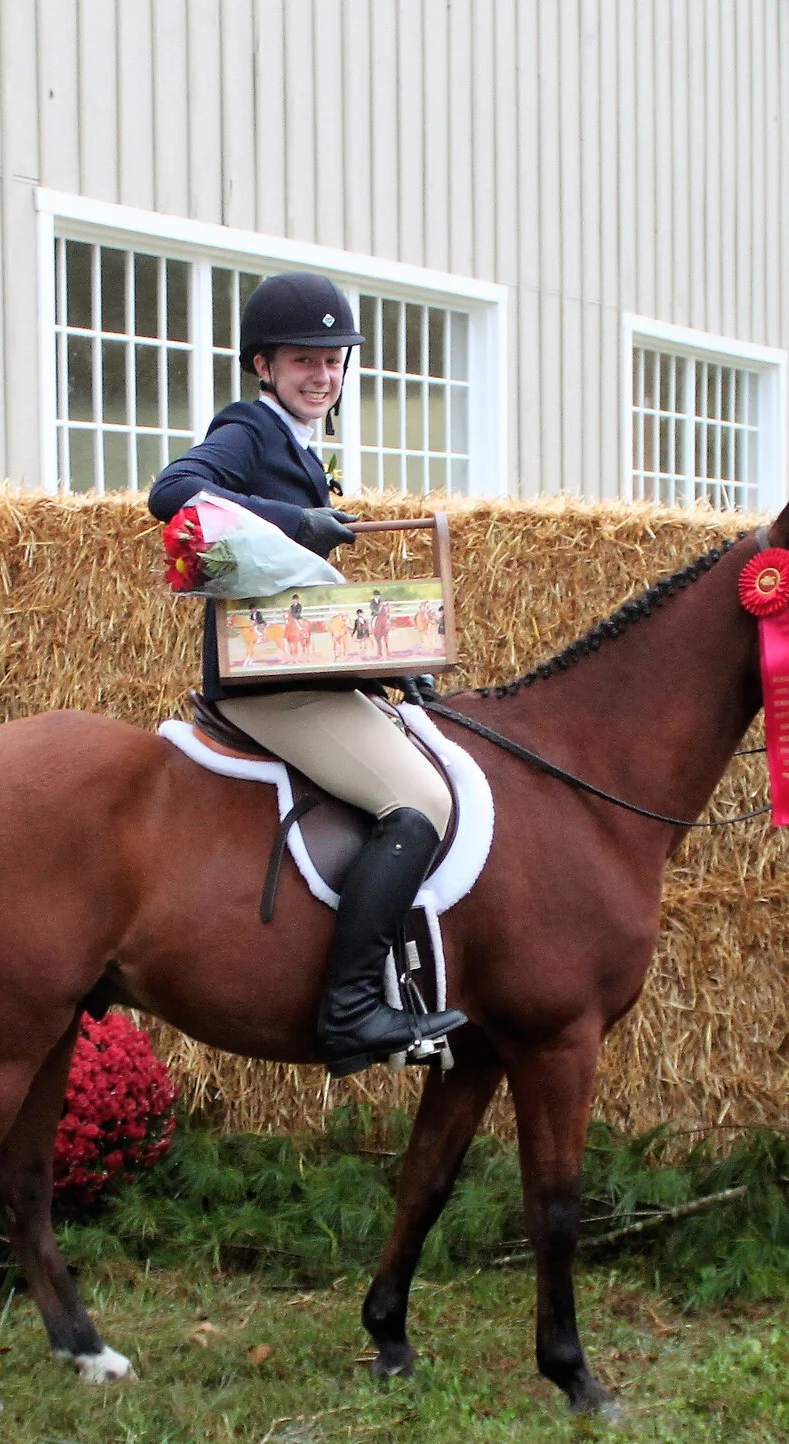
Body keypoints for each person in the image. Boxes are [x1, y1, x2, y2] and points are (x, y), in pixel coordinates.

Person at [149, 272, 467, 1075]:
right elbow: (174, 491)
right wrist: (299, 520)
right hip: (270, 691)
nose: (322, 375)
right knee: (421, 801)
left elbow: (302, 598)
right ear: (263, 365)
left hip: (306, 678)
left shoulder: (300, 446)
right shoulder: (250, 428)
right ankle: (352, 1009)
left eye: (333, 360)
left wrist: (391, 670)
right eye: (303, 360)